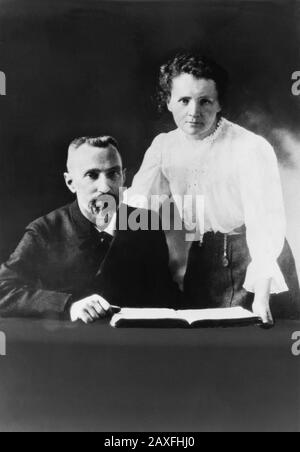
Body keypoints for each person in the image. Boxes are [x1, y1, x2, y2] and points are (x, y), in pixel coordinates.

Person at [125, 53, 300, 325]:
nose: (194, 112)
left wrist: (262, 295)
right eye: (184, 100)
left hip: (255, 258)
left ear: (219, 104)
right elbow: (139, 208)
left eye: (205, 101)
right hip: (203, 258)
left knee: (253, 348)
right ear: (168, 101)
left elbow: (264, 224)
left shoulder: (250, 148)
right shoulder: (163, 147)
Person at [0, 136, 178, 323]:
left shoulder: (146, 223)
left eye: (113, 174)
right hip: (69, 346)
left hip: (133, 345)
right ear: (70, 183)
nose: (105, 187)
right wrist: (68, 305)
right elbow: (2, 290)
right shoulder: (44, 231)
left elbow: (163, 295)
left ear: (123, 177)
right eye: (92, 175)